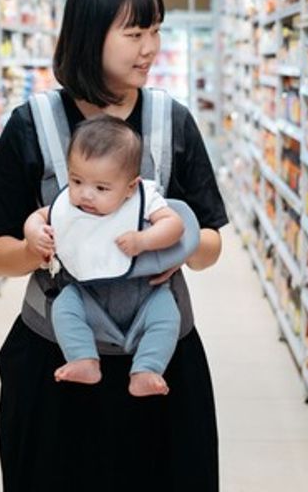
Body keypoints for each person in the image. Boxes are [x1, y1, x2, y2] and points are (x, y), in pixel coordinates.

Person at [0, 0, 227, 491]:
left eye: (155, 30)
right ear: (90, 36)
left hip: (161, 365)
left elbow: (210, 244)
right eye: (135, 33)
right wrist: (36, 246)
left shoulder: (171, 120)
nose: (150, 47)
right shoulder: (34, 123)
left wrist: (174, 248)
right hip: (55, 363)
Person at [23, 115, 187, 396]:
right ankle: (83, 358)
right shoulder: (68, 205)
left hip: (145, 294)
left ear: (130, 187)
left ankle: (147, 368)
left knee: (167, 314)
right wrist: (34, 233)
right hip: (88, 295)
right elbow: (38, 217)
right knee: (64, 306)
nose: (85, 194)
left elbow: (176, 225)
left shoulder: (145, 199)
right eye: (76, 180)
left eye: (101, 188)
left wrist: (144, 240)